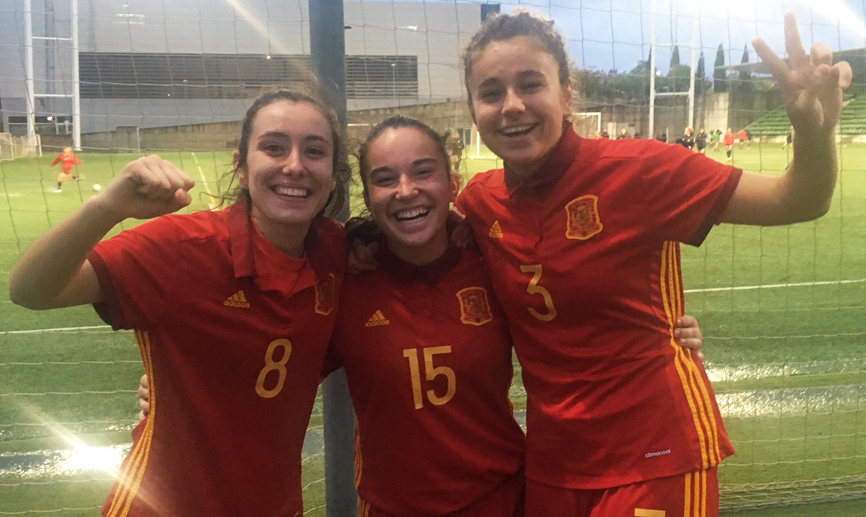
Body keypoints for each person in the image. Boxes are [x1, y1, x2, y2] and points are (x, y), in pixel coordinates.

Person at [135, 115, 709, 516]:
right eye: (384, 179)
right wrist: (174, 385)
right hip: (391, 507)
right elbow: (277, 355)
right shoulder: (344, 279)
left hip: (506, 499)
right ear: (367, 194)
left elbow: (569, 315)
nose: (405, 190)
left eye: (423, 172)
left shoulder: (489, 257)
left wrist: (662, 334)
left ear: (452, 182)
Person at [456, 10, 850, 517]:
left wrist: (814, 132)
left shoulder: (638, 170)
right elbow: (417, 249)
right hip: (555, 464)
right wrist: (362, 246)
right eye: (491, 93)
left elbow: (799, 200)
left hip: (657, 453)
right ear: (473, 109)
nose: (512, 105)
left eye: (531, 84)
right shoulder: (479, 203)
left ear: (567, 95)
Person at [9, 88, 351, 516]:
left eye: (314, 151)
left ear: (332, 176)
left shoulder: (338, 255)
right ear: (241, 167)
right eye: (274, 148)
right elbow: (31, 291)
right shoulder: (183, 248)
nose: (295, 165)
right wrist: (107, 207)